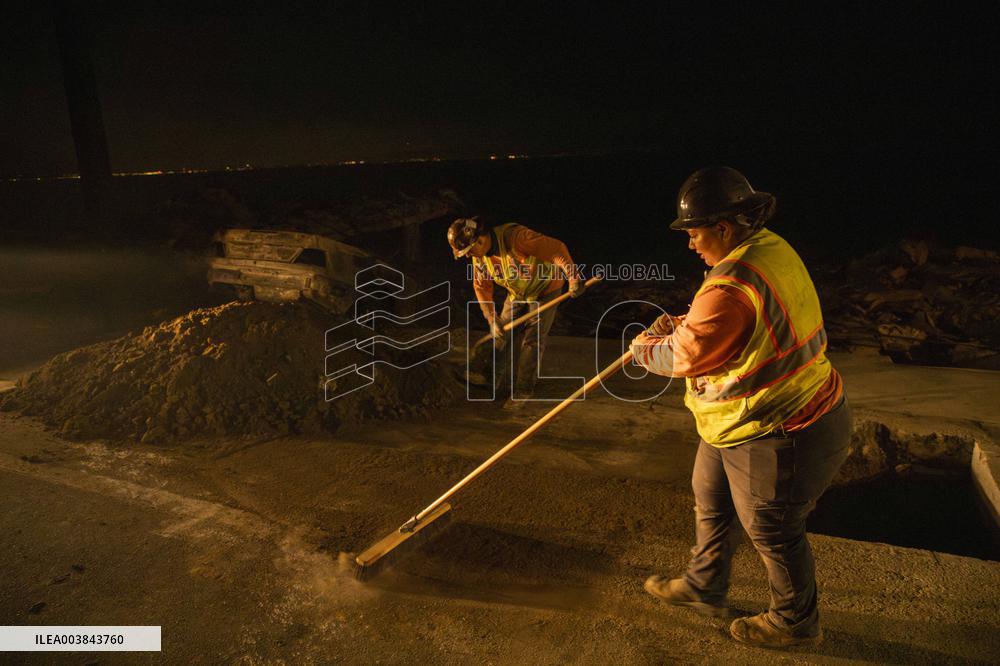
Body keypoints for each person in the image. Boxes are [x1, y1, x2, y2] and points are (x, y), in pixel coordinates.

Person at [630, 167, 851, 649]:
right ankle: (704, 587)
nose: (690, 244)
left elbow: (683, 356)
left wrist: (646, 344)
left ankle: (795, 623)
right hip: (741, 422)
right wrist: (686, 320)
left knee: (772, 526)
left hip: (785, 425)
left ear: (723, 228)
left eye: (694, 233)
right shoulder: (768, 248)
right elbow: (735, 320)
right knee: (711, 497)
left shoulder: (730, 284)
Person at [447, 216, 582, 408]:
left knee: (532, 340)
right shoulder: (481, 258)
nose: (469, 257)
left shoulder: (517, 238)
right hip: (517, 292)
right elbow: (482, 287)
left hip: (546, 288)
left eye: (469, 252)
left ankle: (523, 389)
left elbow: (557, 249)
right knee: (502, 332)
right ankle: (491, 380)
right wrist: (492, 318)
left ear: (481, 239)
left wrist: (573, 277)